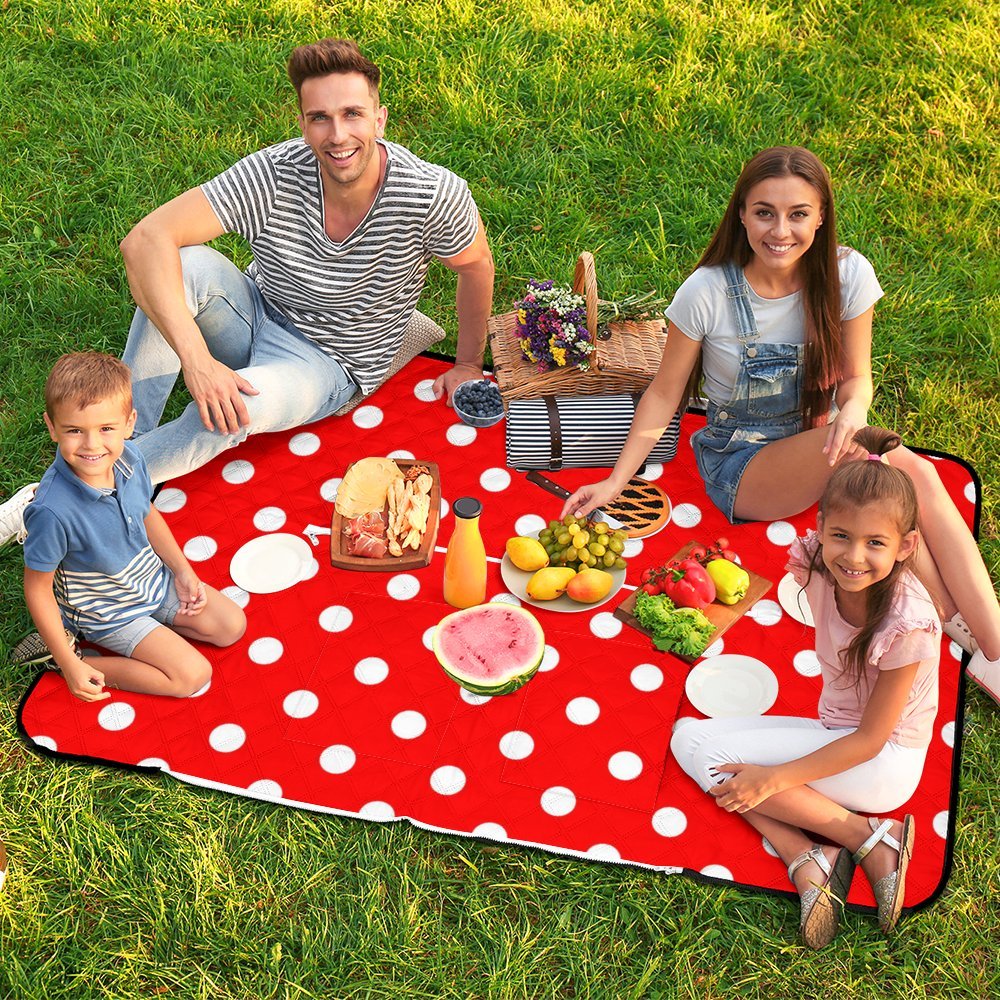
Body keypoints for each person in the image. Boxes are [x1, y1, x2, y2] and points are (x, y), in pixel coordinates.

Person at [561, 146, 1000, 704]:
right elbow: (664, 394)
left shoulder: (847, 276)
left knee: (908, 482)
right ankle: (992, 648)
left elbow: (856, 381)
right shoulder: (708, 292)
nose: (780, 231)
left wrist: (855, 415)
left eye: (798, 214)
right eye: (764, 212)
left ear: (821, 217)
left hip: (825, 441)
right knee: (899, 467)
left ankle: (974, 638)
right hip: (743, 465)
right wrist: (616, 481)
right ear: (741, 214)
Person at [116, 37, 494, 485]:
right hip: (255, 309)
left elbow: (476, 266)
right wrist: (196, 360)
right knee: (184, 263)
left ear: (380, 119)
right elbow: (143, 240)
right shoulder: (276, 171)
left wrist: (468, 364)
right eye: (320, 118)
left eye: (352, 114)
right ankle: (120, 435)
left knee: (225, 414)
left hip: (327, 360)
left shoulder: (430, 194)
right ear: (302, 124)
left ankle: (83, 486)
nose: (337, 135)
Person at [671, 428, 937, 948]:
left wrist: (773, 780)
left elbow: (870, 740)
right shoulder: (816, 560)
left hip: (882, 762)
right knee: (686, 735)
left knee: (714, 757)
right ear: (819, 527)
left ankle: (866, 838)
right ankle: (809, 852)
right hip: (836, 731)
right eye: (841, 535)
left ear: (905, 547)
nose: (853, 557)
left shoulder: (908, 626)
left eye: (875, 543)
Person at [17, 353, 246, 702]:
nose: (92, 445)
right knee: (192, 676)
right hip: (108, 610)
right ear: (51, 427)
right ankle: (76, 660)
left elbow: (146, 512)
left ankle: (155, 627)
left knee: (231, 626)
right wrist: (70, 662)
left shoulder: (129, 458)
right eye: (75, 430)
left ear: (129, 422)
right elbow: (37, 589)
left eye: (106, 428)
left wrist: (182, 570)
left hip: (149, 580)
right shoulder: (52, 512)